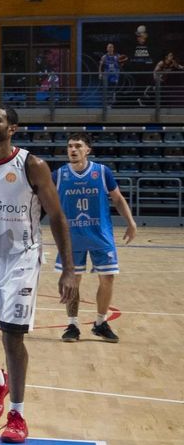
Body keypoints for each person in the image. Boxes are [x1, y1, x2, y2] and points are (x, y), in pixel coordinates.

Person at [0, 107, 77, 444]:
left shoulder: (32, 165)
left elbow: (57, 217)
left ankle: (17, 415)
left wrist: (68, 269)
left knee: (12, 337)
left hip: (22, 259)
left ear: (13, 128)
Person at [55, 132, 138, 342]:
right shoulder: (59, 175)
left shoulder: (102, 172)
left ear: (87, 150)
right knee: (73, 281)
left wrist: (131, 222)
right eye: (70, 146)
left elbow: (117, 199)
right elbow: (42, 201)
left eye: (78, 146)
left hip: (101, 235)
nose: (73, 149)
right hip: (72, 237)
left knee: (108, 278)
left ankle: (100, 323)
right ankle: (72, 325)